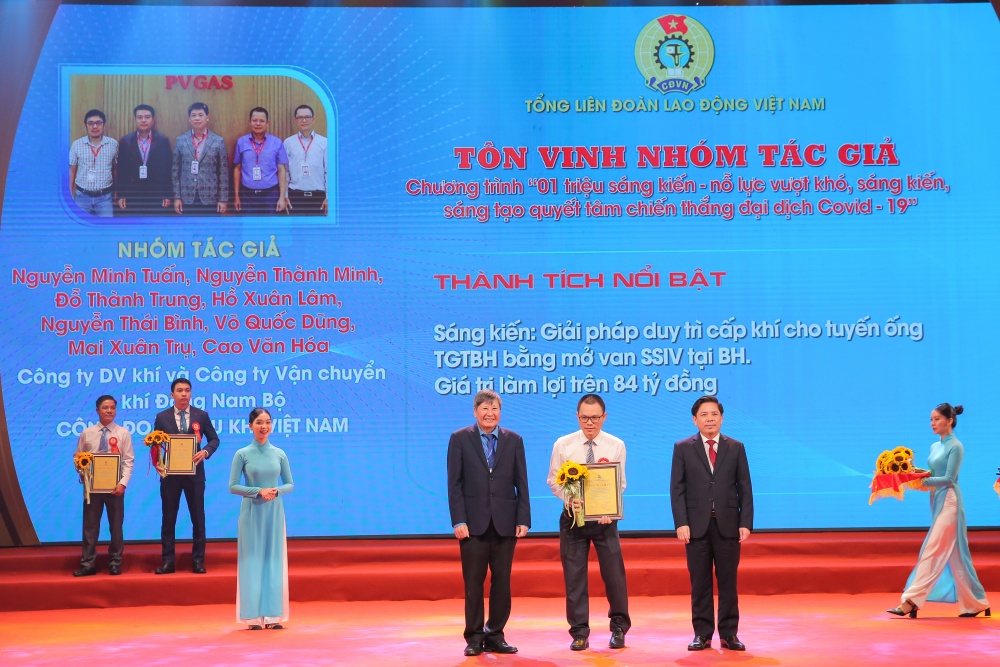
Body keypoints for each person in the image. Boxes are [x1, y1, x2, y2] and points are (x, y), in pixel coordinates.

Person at [887, 403, 991, 618]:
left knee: (931, 549)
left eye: (937, 419)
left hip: (950, 502)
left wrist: (919, 481)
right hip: (937, 500)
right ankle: (976, 602)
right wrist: (911, 473)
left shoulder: (956, 446)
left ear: (949, 421)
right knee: (956, 556)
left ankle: (911, 600)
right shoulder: (935, 446)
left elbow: (949, 479)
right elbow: (933, 473)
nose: (932, 423)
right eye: (931, 420)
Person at [447, 389, 530, 656]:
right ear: (475, 412)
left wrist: (523, 518)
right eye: (484, 408)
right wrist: (459, 520)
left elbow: (522, 483)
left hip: (505, 523)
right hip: (472, 524)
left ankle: (495, 634)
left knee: (502, 582)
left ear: (500, 412)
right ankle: (474, 637)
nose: (489, 413)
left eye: (494, 409)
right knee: (473, 582)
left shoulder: (514, 440)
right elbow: (454, 485)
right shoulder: (460, 439)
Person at [546, 393, 630, 651]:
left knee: (614, 577)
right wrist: (569, 499)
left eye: (595, 418)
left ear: (604, 417)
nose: (589, 423)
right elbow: (553, 480)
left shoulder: (616, 445)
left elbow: (620, 483)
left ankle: (619, 629)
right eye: (584, 418)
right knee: (574, 578)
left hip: (605, 521)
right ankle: (579, 632)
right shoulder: (563, 444)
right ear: (577, 417)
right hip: (573, 520)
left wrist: (608, 508)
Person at [670, 395, 753, 652]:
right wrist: (681, 522)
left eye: (714, 414)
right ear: (694, 420)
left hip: (728, 525)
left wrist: (745, 522)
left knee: (728, 583)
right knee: (700, 583)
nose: (710, 419)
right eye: (704, 415)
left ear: (722, 418)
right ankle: (702, 634)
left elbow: (745, 487)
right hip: (696, 527)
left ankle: (729, 634)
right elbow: (677, 489)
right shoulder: (683, 447)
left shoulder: (735, 447)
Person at [229, 407, 294, 629]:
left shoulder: (279, 453)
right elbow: (233, 486)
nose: (263, 426)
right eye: (259, 422)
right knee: (253, 561)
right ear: (250, 426)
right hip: (251, 512)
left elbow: (289, 483)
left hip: (274, 510)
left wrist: (276, 491)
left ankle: (273, 615)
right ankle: (253, 617)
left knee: (273, 561)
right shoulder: (242, 454)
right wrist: (258, 491)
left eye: (267, 422)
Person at [152, 377, 220, 574]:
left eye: (187, 390)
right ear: (172, 394)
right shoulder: (162, 417)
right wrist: (157, 462)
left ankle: (198, 560)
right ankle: (168, 561)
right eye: (180, 390)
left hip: (194, 474)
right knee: (168, 519)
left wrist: (205, 451)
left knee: (198, 518)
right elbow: (155, 443)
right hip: (170, 476)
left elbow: (214, 439)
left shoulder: (201, 415)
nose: (184, 394)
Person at [73, 395, 134, 576]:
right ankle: (88, 563)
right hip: (93, 488)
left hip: (115, 488)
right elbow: (78, 457)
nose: (109, 411)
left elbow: (128, 461)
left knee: (116, 527)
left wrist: (123, 483)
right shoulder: (87, 433)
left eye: (112, 407)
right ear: (97, 410)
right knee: (90, 527)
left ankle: (115, 562)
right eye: (105, 408)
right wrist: (82, 472)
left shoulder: (123, 433)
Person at [172, 102, 228, 215]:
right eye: (193, 115)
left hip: (211, 197)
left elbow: (223, 172)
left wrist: (223, 199)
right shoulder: (181, 140)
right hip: (186, 197)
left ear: (207, 118)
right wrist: (177, 197)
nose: (197, 118)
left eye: (201, 115)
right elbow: (175, 171)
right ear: (189, 119)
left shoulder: (218, 141)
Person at [117, 104, 172, 215]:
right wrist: (121, 194)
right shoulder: (125, 141)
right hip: (133, 193)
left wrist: (167, 194)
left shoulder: (163, 141)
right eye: (139, 117)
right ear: (135, 119)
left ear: (153, 119)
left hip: (156, 193)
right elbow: (121, 170)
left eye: (147, 117)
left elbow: (168, 168)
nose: (143, 120)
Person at [233, 107, 288, 214]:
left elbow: (281, 170)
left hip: (271, 195)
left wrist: (282, 197)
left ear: (267, 123)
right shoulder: (241, 142)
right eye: (255, 120)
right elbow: (237, 169)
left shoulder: (277, 143)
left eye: (262, 121)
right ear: (250, 122)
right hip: (247, 195)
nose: (258, 124)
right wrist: (236, 196)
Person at [69, 109, 118, 217]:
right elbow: (72, 171)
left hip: (105, 198)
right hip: (82, 197)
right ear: (86, 125)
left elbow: (115, 169)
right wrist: (69, 193)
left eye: (98, 123)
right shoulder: (76, 145)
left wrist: (116, 192)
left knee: (106, 227)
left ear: (104, 124)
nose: (95, 126)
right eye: (90, 123)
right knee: (81, 227)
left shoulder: (113, 144)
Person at [283, 104, 328, 215]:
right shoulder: (288, 143)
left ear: (313, 119)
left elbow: (328, 172)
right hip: (295, 197)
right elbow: (285, 172)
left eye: (307, 117)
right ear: (295, 120)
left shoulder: (324, 142)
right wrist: (285, 195)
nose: (304, 120)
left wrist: (328, 197)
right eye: (300, 117)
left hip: (319, 198)